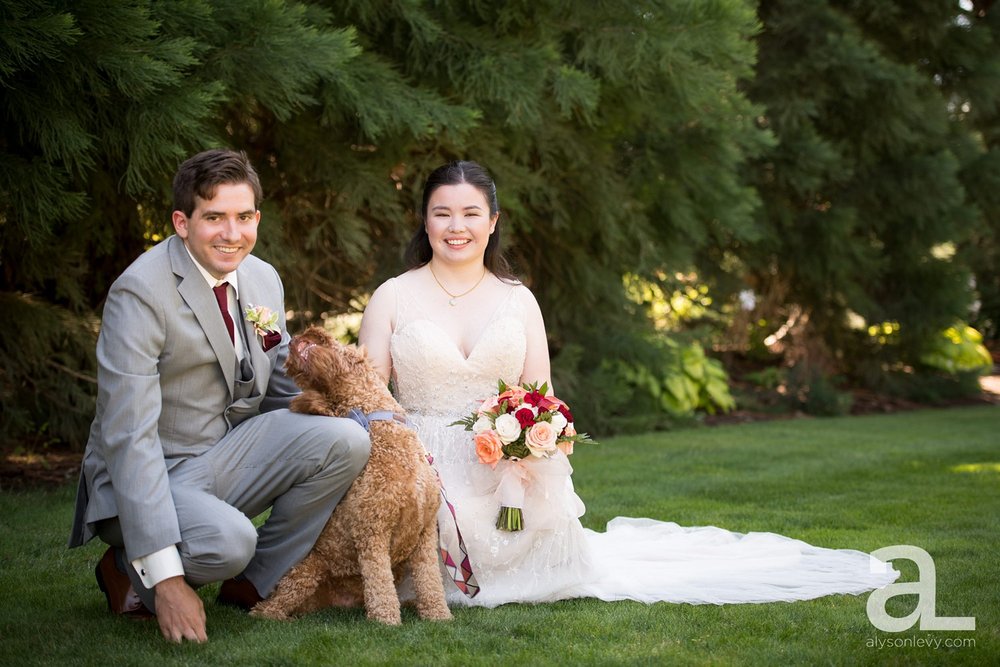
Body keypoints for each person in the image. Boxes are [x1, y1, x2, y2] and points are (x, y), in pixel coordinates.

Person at [358, 160, 897, 608]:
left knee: (529, 536)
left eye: (471, 213)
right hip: (419, 459)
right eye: (443, 213)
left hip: (501, 461)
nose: (458, 226)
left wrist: (521, 459)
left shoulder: (516, 299)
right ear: (424, 222)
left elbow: (540, 397)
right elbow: (366, 395)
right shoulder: (393, 296)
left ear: (493, 221)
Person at [68, 149, 371, 643]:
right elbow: (128, 437)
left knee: (347, 440)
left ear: (257, 217)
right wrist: (168, 583)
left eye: (243, 216)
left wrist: (363, 421)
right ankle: (127, 565)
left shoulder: (262, 277)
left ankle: (254, 583)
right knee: (230, 541)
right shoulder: (139, 294)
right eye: (214, 218)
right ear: (182, 222)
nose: (232, 234)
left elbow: (277, 387)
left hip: (220, 455)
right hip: (148, 473)